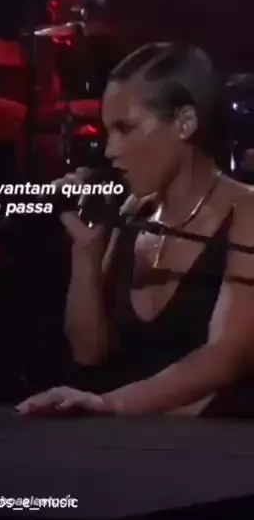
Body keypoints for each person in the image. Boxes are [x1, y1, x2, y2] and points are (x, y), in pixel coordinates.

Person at [16, 41, 254, 418]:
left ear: (185, 122)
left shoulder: (247, 212)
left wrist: (113, 404)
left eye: (125, 129)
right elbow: (89, 353)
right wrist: (86, 253)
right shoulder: (131, 213)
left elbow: (227, 355)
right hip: (129, 442)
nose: (110, 150)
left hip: (217, 445)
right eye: (108, 131)